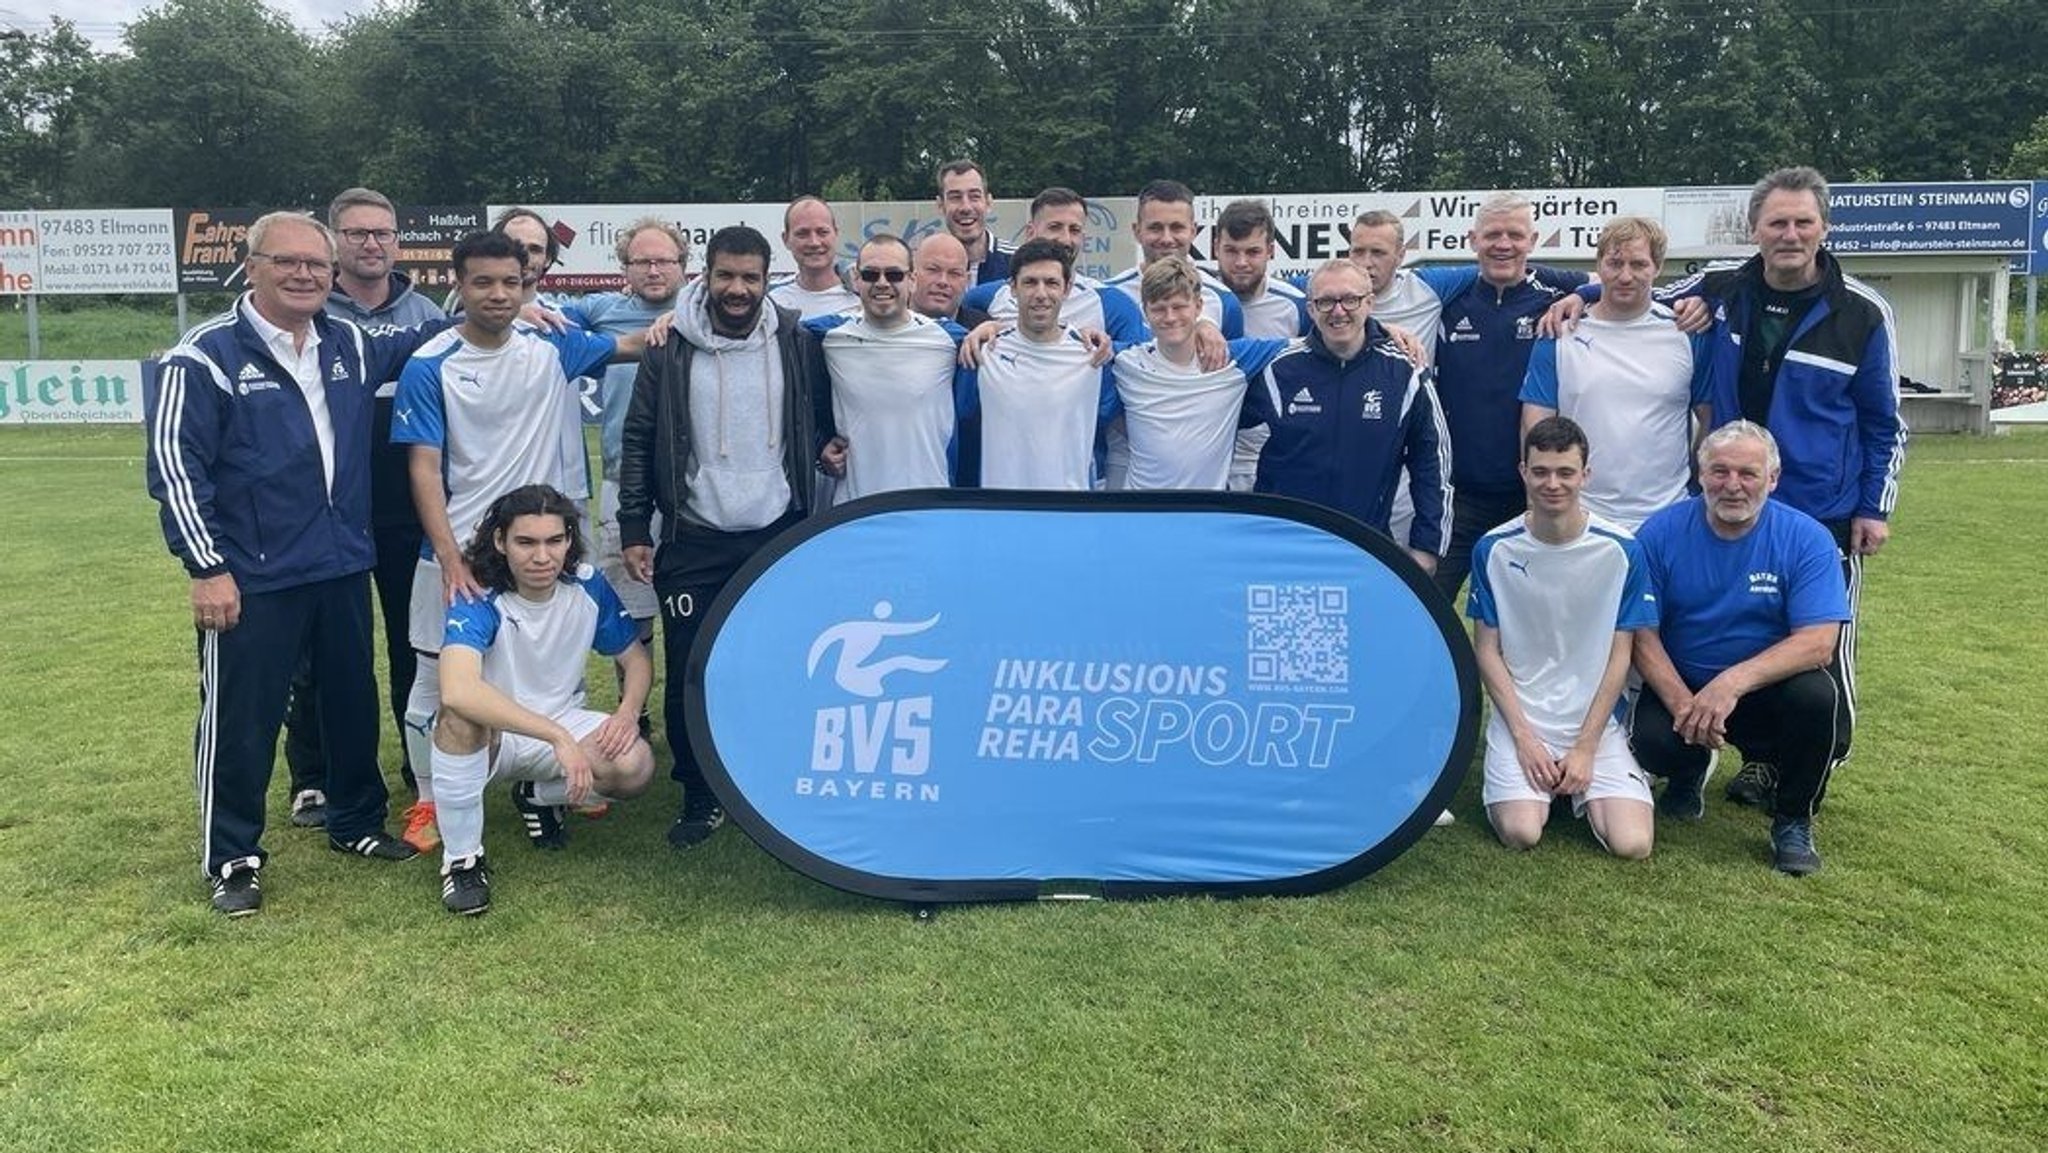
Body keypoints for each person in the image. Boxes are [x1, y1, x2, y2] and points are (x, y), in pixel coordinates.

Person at [145, 211, 449, 915]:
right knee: (240, 716)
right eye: (288, 262)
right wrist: (206, 565)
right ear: (251, 266)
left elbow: (432, 341)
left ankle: (355, 821)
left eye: (316, 264)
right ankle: (234, 856)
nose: (305, 274)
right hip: (252, 574)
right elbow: (174, 467)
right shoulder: (205, 355)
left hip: (340, 562)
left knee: (350, 699)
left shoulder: (345, 340)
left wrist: (524, 313)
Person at [390, 231, 642, 855]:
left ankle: (546, 782)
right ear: (460, 284)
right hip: (457, 553)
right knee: (434, 677)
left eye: (511, 281)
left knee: (549, 662)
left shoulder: (551, 344)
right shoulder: (431, 363)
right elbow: (423, 468)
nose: (499, 294)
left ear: (527, 281)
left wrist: (686, 321)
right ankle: (427, 798)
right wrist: (449, 555)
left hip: (536, 540)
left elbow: (632, 344)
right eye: (483, 282)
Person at [1664, 167, 1906, 809]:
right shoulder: (1723, 287)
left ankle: (1806, 764)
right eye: (1777, 222)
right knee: (1717, 625)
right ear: (1755, 229)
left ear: (1825, 227)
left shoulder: (1861, 311)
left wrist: (1873, 507)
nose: (1790, 234)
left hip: (1818, 510)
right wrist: (1577, 294)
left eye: (1803, 221)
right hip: (1725, 498)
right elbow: (1634, 285)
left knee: (1816, 647)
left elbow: (1886, 422)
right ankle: (1713, 746)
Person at [618, 224, 824, 849]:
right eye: (726, 275)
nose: (738, 289)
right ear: (705, 274)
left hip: (777, 534)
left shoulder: (796, 339)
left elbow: (825, 414)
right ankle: (699, 792)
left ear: (769, 279)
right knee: (692, 671)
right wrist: (634, 523)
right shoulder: (668, 346)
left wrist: (830, 448)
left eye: (751, 278)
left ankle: (770, 782)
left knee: (780, 668)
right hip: (695, 536)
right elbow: (637, 437)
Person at [280, 186, 447, 830]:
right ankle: (314, 778)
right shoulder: (314, 310)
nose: (370, 243)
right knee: (323, 655)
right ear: (333, 243)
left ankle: (422, 772)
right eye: (355, 234)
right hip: (333, 515)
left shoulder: (428, 312)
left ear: (397, 241)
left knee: (417, 652)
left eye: (381, 233)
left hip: (412, 513)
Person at [1629, 422, 1851, 875]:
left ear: (1773, 478)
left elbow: (1818, 642)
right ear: (1700, 474)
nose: (1732, 486)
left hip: (1767, 690)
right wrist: (1684, 704)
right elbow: (1641, 633)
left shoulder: (1807, 538)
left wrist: (1731, 683)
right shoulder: (1659, 533)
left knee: (1818, 697)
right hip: (1686, 685)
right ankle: (1688, 770)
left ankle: (1792, 819)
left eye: (1748, 474)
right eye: (1719, 471)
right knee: (1650, 741)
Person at [430, 484, 655, 915]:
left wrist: (628, 712)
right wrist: (556, 736)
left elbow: (636, 659)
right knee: (458, 718)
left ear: (569, 540)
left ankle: (537, 795)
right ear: (500, 541)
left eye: (555, 541)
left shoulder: (586, 587)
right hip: (495, 736)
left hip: (561, 725)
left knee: (636, 765)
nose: (542, 557)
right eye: (526, 542)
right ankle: (461, 860)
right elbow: (458, 689)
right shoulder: (478, 593)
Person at [1468, 417, 1658, 858]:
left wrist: (1586, 747)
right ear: (1524, 473)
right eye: (1541, 472)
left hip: (1594, 724)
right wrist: (1525, 739)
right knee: (1521, 833)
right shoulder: (1493, 548)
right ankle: (1538, 786)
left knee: (1633, 845)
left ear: (1585, 475)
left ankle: (1579, 783)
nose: (1553, 483)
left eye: (1566, 472)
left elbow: (1620, 657)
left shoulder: (1622, 550)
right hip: (1524, 721)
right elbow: (1487, 651)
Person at [1423, 194, 1591, 601]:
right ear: (1472, 240)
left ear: (1533, 240)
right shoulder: (1447, 300)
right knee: (1427, 605)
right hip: (1459, 495)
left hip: (1531, 493)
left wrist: (1587, 295)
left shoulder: (1558, 293)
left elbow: (1619, 284)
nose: (1503, 244)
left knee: (1533, 610)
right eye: (1492, 235)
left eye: (1515, 235)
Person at [1242, 258, 1450, 573]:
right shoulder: (1279, 369)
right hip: (1283, 550)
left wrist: (1427, 547)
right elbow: (1219, 417)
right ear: (1311, 309)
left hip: (1366, 548)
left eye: (1350, 299)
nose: (1338, 311)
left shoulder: (1405, 372)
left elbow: (1432, 463)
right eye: (1326, 302)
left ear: (1369, 303)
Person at [1520, 216, 1713, 530]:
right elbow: (1535, 422)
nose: (1625, 276)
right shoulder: (1558, 334)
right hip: (1581, 515)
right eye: (1614, 263)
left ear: (1657, 268)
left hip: (1668, 514)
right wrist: (1537, 502)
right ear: (1599, 265)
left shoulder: (1689, 332)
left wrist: (1698, 488)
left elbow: (1708, 418)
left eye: (1638, 264)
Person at [558, 218, 689, 680]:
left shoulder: (705, 308)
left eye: (664, 261)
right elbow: (535, 315)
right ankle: (632, 713)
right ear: (624, 269)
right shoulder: (598, 309)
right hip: (623, 480)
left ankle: (689, 706)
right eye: (643, 262)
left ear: (683, 266)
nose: (654, 270)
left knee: (693, 603)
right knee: (633, 609)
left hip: (692, 484)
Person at [807, 234, 969, 502]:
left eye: (894, 275)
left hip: (930, 504)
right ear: (857, 279)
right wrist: (819, 446)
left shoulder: (951, 338)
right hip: (854, 509)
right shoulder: (826, 333)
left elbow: (1006, 341)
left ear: (912, 280)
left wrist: (991, 328)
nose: (882, 283)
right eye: (871, 274)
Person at [955, 238, 1119, 490]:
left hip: (1070, 512)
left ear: (1067, 289)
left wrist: (1202, 327)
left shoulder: (1095, 356)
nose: (1041, 294)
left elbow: (1159, 352)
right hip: (1002, 512)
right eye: (1030, 282)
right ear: (1012, 288)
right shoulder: (984, 352)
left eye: (1051, 283)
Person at [1113, 256, 1287, 491]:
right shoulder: (1125, 361)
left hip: (1209, 510)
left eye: (1179, 307)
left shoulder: (1235, 359)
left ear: (1199, 306)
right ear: (1144, 311)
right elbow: (1077, 348)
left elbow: (1299, 345)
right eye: (1159, 309)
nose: (1170, 317)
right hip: (1144, 509)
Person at [1212, 199, 1311, 492]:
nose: (1241, 262)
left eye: (1253, 252)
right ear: (1216, 246)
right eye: (1231, 251)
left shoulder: (1295, 305)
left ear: (1271, 250)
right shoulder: (1194, 297)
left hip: (1264, 450)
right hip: (1203, 445)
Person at [1101, 179, 1246, 338]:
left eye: (1177, 228)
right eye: (1155, 228)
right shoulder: (1109, 295)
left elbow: (1233, 359)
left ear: (1193, 231)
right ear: (1137, 231)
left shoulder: (1223, 300)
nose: (1167, 238)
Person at [769, 196, 859, 317]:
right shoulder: (771, 301)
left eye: (822, 232)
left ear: (836, 234)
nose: (814, 242)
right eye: (802, 234)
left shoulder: (863, 296)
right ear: (786, 239)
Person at [935, 158, 1013, 284]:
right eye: (955, 197)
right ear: (941, 206)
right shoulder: (928, 268)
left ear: (988, 202)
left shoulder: (1018, 263)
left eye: (974, 196)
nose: (966, 207)